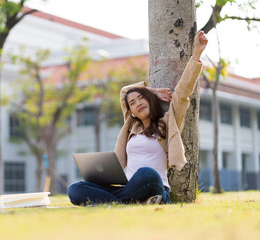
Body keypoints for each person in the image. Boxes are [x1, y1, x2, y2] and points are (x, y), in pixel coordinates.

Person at [68, 31, 208, 206]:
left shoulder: (167, 123)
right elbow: (124, 92)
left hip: (154, 185)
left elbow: (182, 93)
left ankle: (114, 203)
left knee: (146, 173)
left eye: (142, 98)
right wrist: (153, 91)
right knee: (75, 188)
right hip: (129, 187)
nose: (138, 103)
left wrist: (196, 54)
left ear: (149, 101)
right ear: (131, 112)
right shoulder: (131, 126)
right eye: (133, 103)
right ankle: (125, 204)